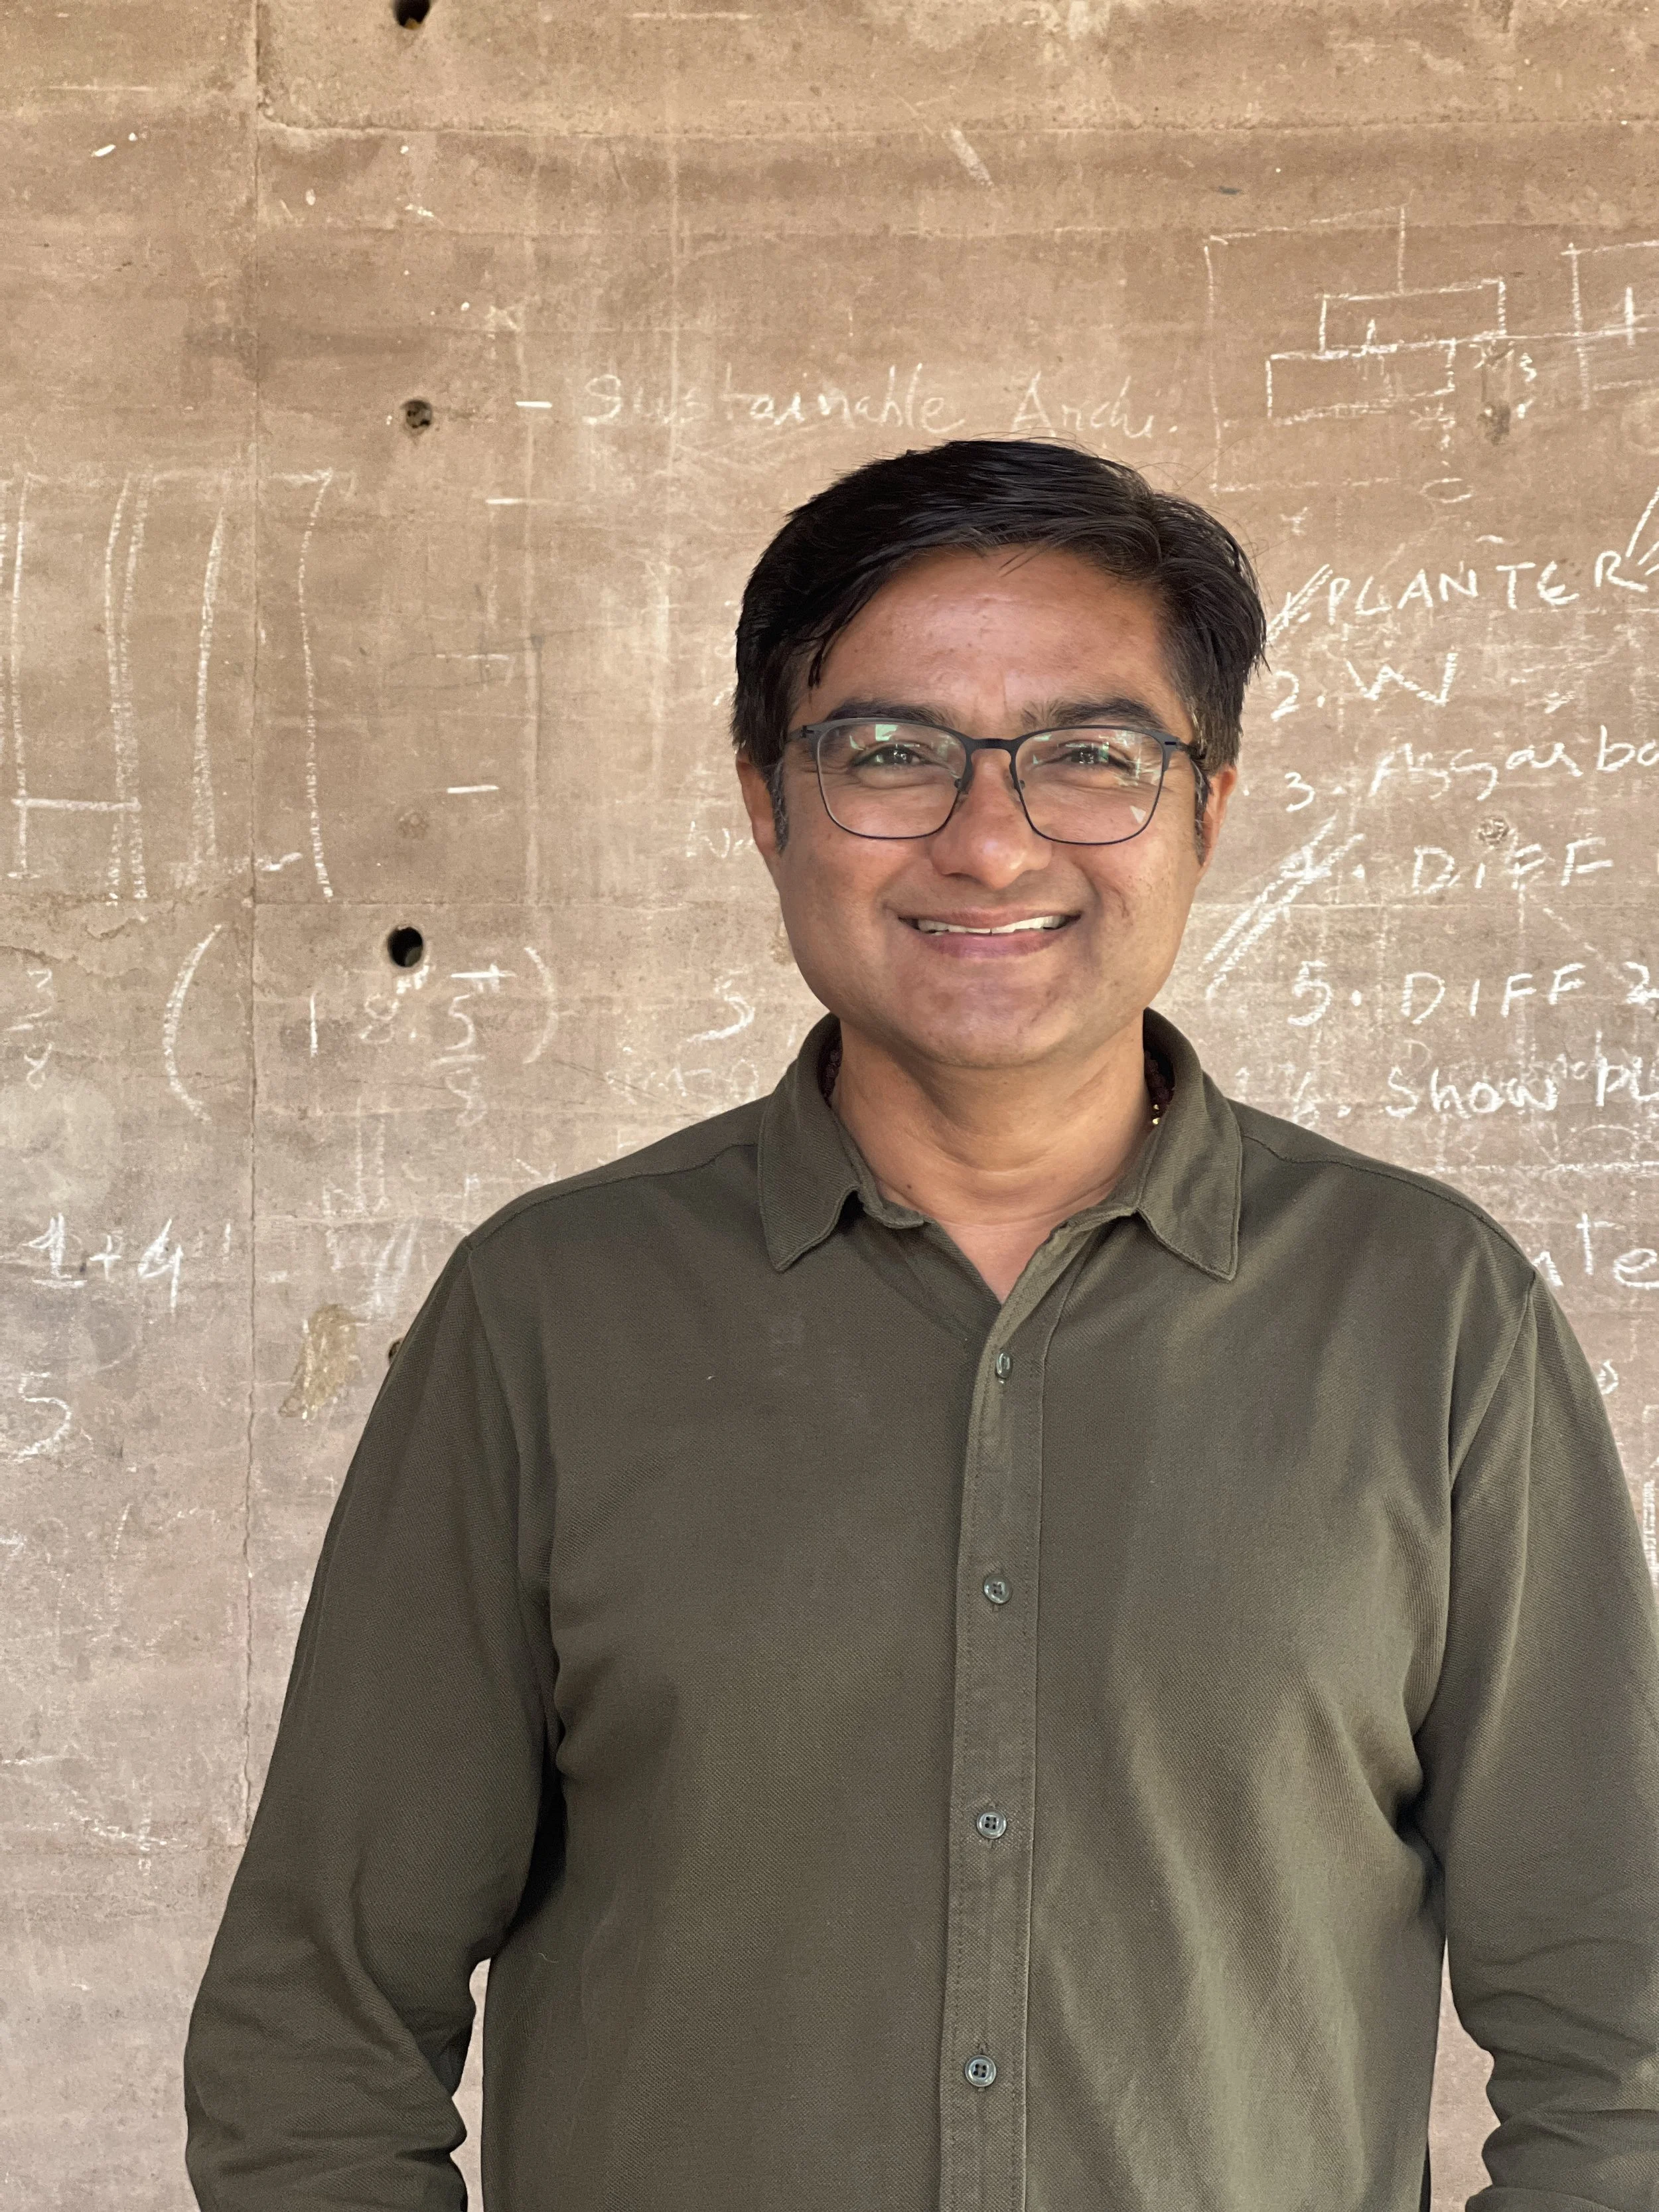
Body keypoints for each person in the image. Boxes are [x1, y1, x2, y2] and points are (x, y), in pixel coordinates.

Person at [183, 439, 1659, 2212]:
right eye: (889, 753)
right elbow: (319, 2022)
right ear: (764, 795)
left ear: (1208, 803)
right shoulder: (551, 1318)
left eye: (1087, 758)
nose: (987, 837)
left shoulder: (1427, 1319)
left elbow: (1620, 2031)